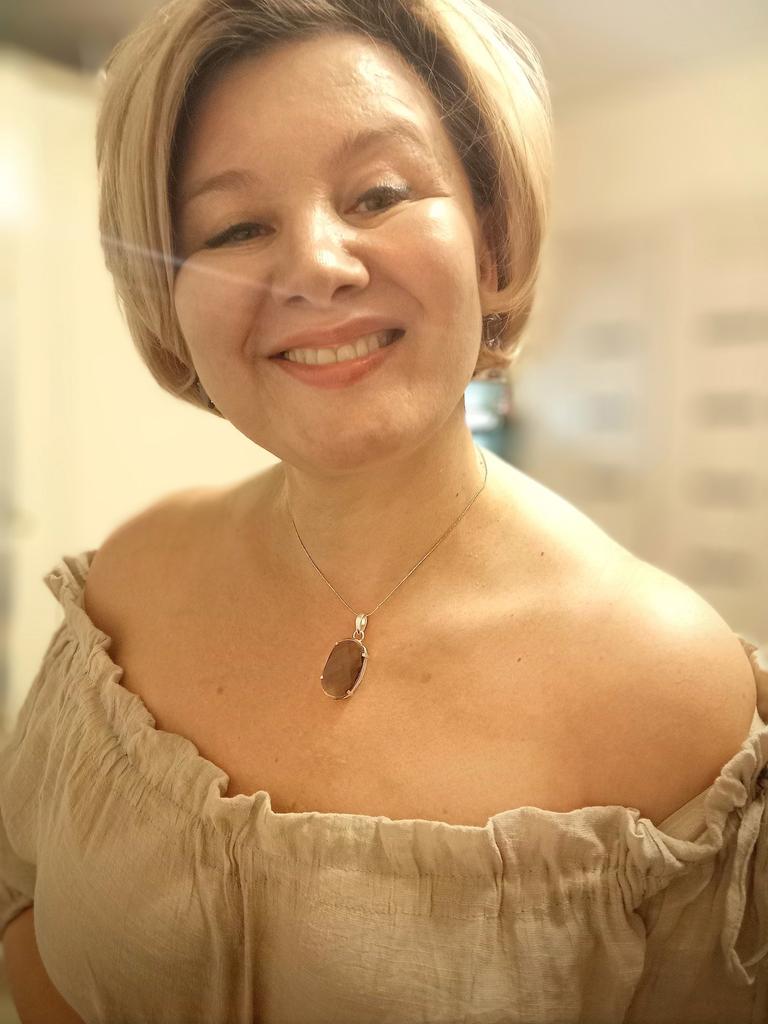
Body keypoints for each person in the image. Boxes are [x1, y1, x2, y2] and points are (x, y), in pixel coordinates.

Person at [1, 0, 766, 1021]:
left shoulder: (671, 685)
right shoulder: (125, 589)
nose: (317, 264)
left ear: (490, 240)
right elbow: (23, 896)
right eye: (235, 226)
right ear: (172, 301)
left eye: (378, 193)